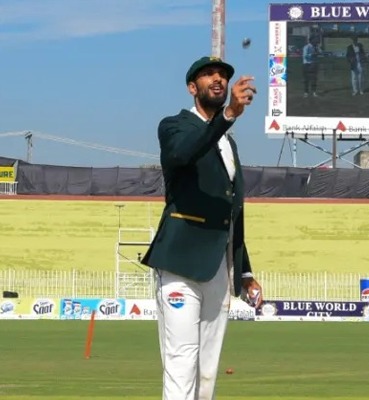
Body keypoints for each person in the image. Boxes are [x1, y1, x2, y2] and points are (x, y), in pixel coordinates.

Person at [141, 55, 263, 400]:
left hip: (219, 266)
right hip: (180, 261)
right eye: (209, 75)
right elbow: (183, 154)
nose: (218, 79)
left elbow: (231, 211)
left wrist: (244, 271)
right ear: (192, 88)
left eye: (223, 75)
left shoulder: (228, 143)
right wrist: (227, 117)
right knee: (181, 358)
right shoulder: (174, 126)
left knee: (207, 367)